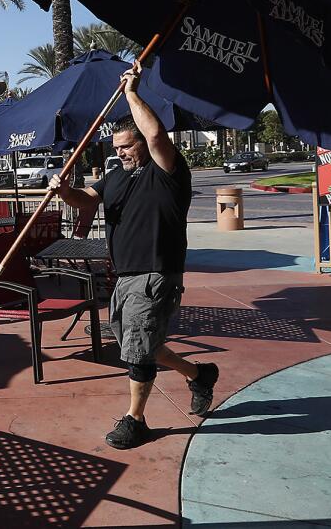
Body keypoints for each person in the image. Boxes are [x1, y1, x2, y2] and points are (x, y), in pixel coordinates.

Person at [49, 60, 218, 449]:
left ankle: (135, 419)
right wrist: (63, 191)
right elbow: (84, 201)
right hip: (124, 275)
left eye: (127, 146)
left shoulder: (169, 171)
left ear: (141, 141)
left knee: (138, 350)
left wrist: (130, 93)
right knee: (141, 344)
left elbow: (158, 135)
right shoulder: (115, 177)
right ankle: (199, 374)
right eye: (117, 148)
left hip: (156, 272)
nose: (121, 153)